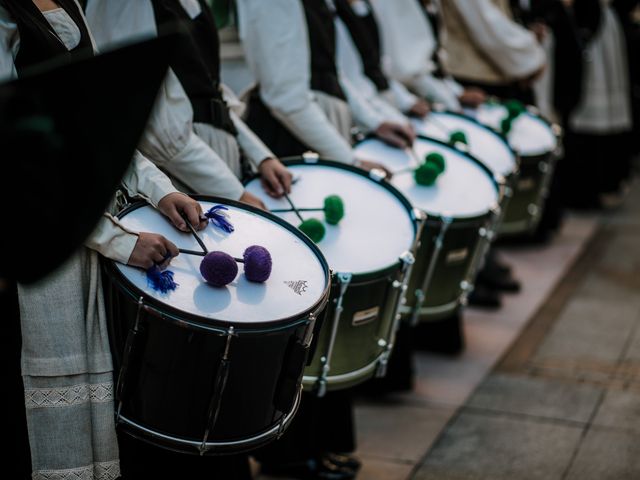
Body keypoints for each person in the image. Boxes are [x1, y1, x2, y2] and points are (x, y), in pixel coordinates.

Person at [0, 1, 207, 477]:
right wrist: (117, 240)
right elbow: (12, 160)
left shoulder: (72, 2)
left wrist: (162, 190)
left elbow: (100, 126)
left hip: (85, 228)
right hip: (37, 239)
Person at [368, 0, 486, 111]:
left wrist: (455, 91)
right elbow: (406, 69)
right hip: (393, 101)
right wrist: (407, 101)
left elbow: (429, 61)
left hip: (427, 93)